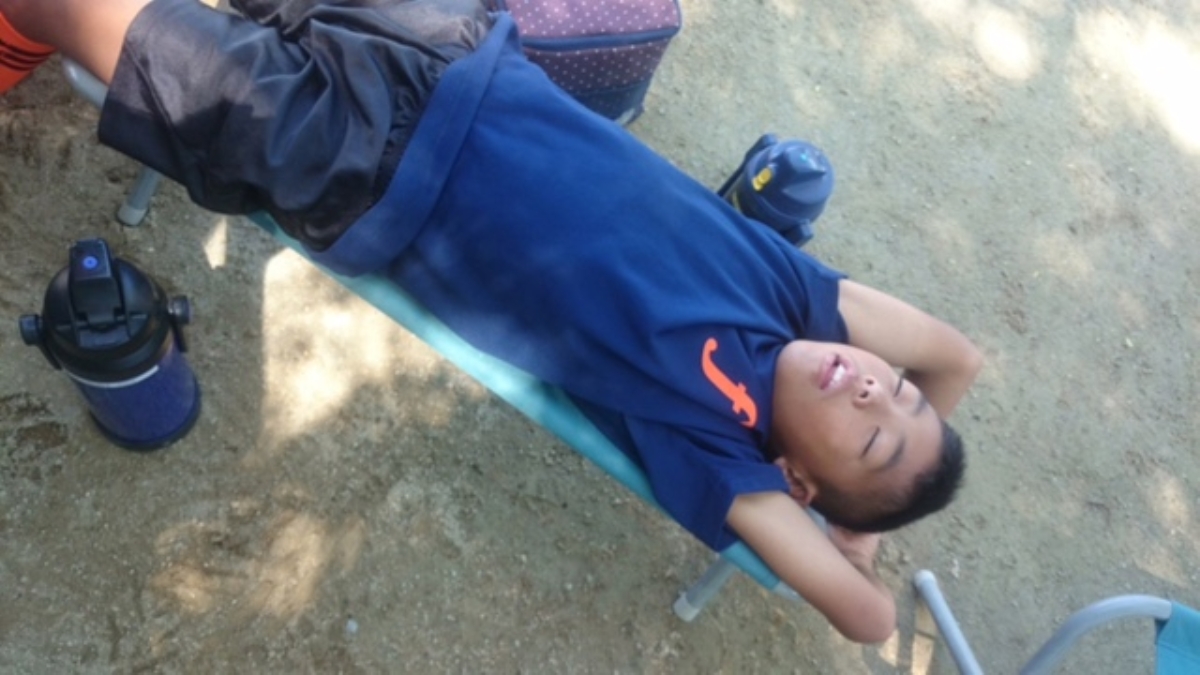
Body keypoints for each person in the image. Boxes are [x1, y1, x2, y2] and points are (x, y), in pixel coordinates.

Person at [0, 0, 983, 644]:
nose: (875, 386)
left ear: (795, 478)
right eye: (897, 393)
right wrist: (873, 466)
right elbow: (957, 358)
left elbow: (865, 618)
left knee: (70, 14)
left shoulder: (716, 443)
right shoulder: (797, 296)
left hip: (358, 165)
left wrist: (850, 534)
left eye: (871, 434)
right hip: (452, 48)